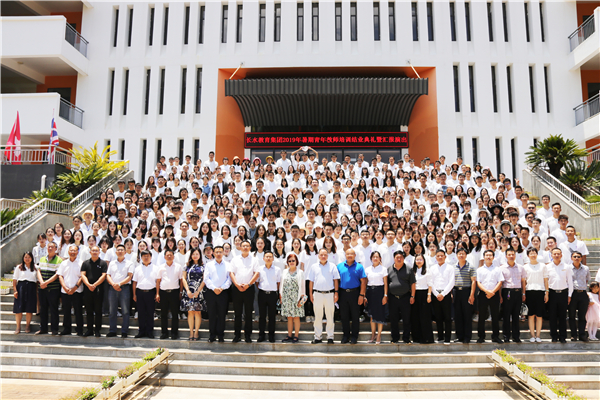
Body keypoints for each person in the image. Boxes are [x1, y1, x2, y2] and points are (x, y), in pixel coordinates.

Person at [229, 240, 260, 343]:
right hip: (237, 288)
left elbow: (256, 273)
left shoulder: (254, 260)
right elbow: (231, 273)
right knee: (237, 313)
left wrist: (248, 284)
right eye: (243, 246)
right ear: (240, 247)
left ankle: (247, 335)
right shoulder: (235, 259)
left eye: (247, 246)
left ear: (250, 248)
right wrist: (237, 284)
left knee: (248, 313)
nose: (245, 248)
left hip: (249, 289)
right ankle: (237, 335)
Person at [307, 248, 340, 344]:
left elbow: (336, 280)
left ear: (327, 256)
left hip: (329, 294)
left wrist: (336, 293)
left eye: (325, 255)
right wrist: (310, 294)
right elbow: (311, 281)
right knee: (318, 317)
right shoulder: (314, 267)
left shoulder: (332, 266)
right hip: (317, 294)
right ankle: (318, 337)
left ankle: (330, 337)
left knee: (330, 316)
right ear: (318, 256)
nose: (323, 256)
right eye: (321, 255)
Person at [336, 249, 367, 344]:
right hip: (343, 293)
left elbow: (363, 281)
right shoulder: (339, 266)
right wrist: (336, 293)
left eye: (352, 254)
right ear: (345, 255)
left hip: (355, 293)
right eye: (348, 254)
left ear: (355, 255)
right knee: (344, 316)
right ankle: (346, 336)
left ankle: (354, 336)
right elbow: (336, 280)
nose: (350, 255)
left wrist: (362, 295)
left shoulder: (359, 267)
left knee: (355, 316)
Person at [387, 250, 416, 344]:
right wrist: (386, 296)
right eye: (397, 257)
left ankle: (406, 338)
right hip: (393, 298)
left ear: (404, 258)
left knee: (406, 318)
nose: (399, 259)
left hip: (405, 297)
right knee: (393, 319)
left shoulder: (409, 269)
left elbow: (413, 284)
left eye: (401, 257)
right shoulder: (389, 269)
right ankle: (395, 338)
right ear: (394, 258)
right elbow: (386, 284)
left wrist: (412, 296)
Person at [204, 246, 232, 343]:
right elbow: (206, 279)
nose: (219, 254)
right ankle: (212, 335)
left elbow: (229, 279)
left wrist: (221, 288)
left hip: (223, 292)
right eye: (217, 252)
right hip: (211, 292)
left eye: (220, 252)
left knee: (221, 314)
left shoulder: (228, 265)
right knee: (211, 314)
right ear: (213, 253)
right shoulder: (209, 265)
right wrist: (214, 288)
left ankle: (220, 335)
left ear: (223, 253)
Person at [546, 248, 573, 343]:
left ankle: (562, 336)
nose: (556, 255)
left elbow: (570, 282)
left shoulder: (567, 266)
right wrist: (546, 293)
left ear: (561, 255)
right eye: (555, 254)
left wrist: (569, 295)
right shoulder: (547, 267)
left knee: (562, 316)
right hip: (552, 293)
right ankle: (554, 336)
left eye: (558, 254)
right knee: (552, 316)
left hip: (563, 293)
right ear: (551, 255)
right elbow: (546, 281)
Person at [476, 250, 504, 343]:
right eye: (487, 255)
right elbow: (478, 282)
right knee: (482, 316)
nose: (488, 257)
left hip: (494, 294)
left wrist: (492, 292)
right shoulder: (479, 270)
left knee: (495, 316)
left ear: (493, 257)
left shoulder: (497, 269)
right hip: (483, 294)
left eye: (490, 255)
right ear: (484, 257)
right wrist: (486, 291)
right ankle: (481, 336)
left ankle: (495, 336)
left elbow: (500, 282)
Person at [106, 244, 134, 338]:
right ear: (116, 252)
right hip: (112, 288)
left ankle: (124, 331)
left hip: (124, 288)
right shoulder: (112, 263)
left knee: (125, 311)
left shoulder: (129, 263)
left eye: (122, 250)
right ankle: (112, 330)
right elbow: (108, 275)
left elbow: (129, 276)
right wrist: (113, 284)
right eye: (118, 250)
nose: (120, 251)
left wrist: (119, 284)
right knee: (112, 311)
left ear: (125, 252)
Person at [500, 248, 527, 343]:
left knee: (516, 315)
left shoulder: (521, 267)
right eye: (509, 255)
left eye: (513, 254)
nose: (511, 256)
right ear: (506, 256)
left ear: (515, 255)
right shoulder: (502, 268)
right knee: (506, 315)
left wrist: (523, 293)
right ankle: (506, 336)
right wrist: (500, 296)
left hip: (518, 292)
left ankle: (516, 336)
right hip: (507, 292)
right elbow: (500, 283)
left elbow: (523, 281)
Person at [57, 244, 84, 336]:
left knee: (78, 311)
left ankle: (79, 329)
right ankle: (66, 329)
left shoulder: (81, 263)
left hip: (77, 291)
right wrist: (65, 287)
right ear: (68, 252)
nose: (73, 252)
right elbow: (60, 276)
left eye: (74, 251)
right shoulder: (64, 263)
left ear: (78, 252)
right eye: (71, 250)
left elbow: (82, 277)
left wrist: (75, 287)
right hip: (65, 291)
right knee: (66, 311)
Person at [180, 247, 207, 341]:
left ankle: (196, 332)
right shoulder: (186, 266)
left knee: (198, 312)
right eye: (193, 254)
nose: (195, 256)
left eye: (197, 254)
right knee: (190, 312)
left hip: (199, 292)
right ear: (191, 255)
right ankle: (191, 332)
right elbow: (183, 279)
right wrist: (187, 290)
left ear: (200, 255)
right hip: (189, 292)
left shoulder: (204, 266)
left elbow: (204, 279)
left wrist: (198, 291)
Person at [81, 246, 108, 337]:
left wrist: (95, 285)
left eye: (96, 250)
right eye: (93, 250)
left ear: (99, 252)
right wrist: (89, 285)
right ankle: (89, 329)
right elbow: (83, 275)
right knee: (88, 310)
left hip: (98, 290)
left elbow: (103, 275)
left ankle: (97, 330)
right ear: (90, 252)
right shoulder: (85, 263)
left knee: (98, 310)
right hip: (87, 289)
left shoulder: (103, 263)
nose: (95, 252)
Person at [157, 249, 184, 340]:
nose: (169, 256)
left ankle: (174, 333)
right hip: (163, 292)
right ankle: (164, 332)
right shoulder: (161, 267)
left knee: (175, 314)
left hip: (174, 292)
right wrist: (157, 293)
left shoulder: (178, 267)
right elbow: (158, 281)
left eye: (171, 255)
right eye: (167, 255)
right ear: (164, 257)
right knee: (163, 314)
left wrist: (180, 292)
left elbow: (181, 280)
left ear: (173, 256)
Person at [36, 242, 62, 335]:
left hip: (53, 289)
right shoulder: (42, 259)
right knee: (43, 309)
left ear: (56, 249)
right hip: (42, 288)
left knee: (54, 309)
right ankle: (43, 328)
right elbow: (38, 271)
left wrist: (46, 283)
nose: (50, 248)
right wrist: (41, 282)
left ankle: (54, 329)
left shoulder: (59, 260)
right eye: (49, 247)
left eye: (52, 247)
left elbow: (57, 274)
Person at [523, 248, 548, 343]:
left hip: (540, 291)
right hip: (529, 291)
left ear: (537, 254)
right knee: (531, 315)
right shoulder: (525, 267)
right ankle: (532, 336)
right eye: (531, 253)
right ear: (528, 255)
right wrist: (523, 293)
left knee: (539, 315)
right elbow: (524, 281)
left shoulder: (543, 266)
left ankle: (538, 335)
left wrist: (547, 292)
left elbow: (546, 280)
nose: (533, 255)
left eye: (534, 253)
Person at [430, 249, 455, 344]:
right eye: (438, 256)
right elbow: (430, 282)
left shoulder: (450, 268)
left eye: (442, 255)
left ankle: (447, 338)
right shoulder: (432, 268)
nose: (440, 257)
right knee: (438, 317)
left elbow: (451, 282)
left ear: (445, 257)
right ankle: (440, 336)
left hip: (446, 294)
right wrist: (436, 294)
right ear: (435, 257)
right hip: (435, 295)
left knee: (447, 317)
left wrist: (443, 294)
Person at [132, 250, 158, 338]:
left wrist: (157, 293)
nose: (146, 258)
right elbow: (134, 282)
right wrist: (134, 294)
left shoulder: (155, 268)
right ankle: (141, 331)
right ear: (141, 257)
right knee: (141, 313)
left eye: (147, 256)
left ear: (151, 257)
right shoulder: (137, 268)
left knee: (150, 313)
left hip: (151, 292)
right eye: (144, 256)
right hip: (140, 292)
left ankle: (150, 332)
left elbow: (157, 282)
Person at [256, 251, 281, 343]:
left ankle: (271, 335)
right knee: (262, 316)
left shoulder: (277, 269)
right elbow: (257, 282)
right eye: (267, 257)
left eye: (270, 257)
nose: (268, 258)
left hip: (272, 294)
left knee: (272, 316)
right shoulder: (259, 269)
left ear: (273, 259)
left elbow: (278, 283)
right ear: (263, 258)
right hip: (262, 294)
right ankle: (261, 335)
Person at [453, 247, 476, 344]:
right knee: (458, 315)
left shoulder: (471, 267)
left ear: (466, 255)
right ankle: (459, 336)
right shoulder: (453, 267)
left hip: (467, 291)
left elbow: (473, 281)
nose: (461, 255)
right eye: (459, 253)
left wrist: (472, 295)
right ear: (457, 255)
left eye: (463, 253)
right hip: (456, 292)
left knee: (467, 315)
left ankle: (467, 337)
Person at [280, 253, 305, 343]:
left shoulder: (300, 272)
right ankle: (289, 335)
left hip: (296, 297)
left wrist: (302, 299)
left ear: (296, 262)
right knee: (289, 317)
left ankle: (296, 336)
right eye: (289, 261)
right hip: (286, 297)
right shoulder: (284, 272)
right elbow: (282, 285)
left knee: (296, 317)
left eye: (293, 260)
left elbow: (303, 286)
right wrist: (281, 296)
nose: (291, 262)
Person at [364, 251, 388, 344]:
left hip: (380, 292)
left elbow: (385, 284)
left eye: (377, 257)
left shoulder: (383, 269)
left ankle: (379, 335)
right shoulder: (367, 269)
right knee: (371, 315)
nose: (375, 258)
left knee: (380, 314)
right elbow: (365, 283)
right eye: (373, 257)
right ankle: (373, 334)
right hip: (370, 292)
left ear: (380, 258)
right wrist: (365, 295)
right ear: (371, 258)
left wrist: (385, 295)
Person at [410, 254, 434, 344]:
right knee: (415, 316)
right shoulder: (412, 271)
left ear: (424, 261)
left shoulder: (427, 270)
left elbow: (430, 284)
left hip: (425, 294)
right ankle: (416, 337)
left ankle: (426, 338)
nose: (419, 261)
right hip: (415, 294)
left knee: (425, 316)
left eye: (420, 259)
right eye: (417, 260)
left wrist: (429, 295)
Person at [12, 252, 38, 334]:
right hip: (21, 288)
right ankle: (18, 327)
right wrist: (15, 290)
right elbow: (14, 280)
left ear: (32, 258)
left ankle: (27, 326)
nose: (27, 259)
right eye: (25, 257)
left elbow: (37, 280)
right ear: (23, 258)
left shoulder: (35, 267)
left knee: (29, 309)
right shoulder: (19, 267)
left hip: (31, 288)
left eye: (29, 257)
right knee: (18, 309)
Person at [569, 251, 591, 342]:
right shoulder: (568, 268)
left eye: (578, 256)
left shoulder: (586, 268)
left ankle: (582, 334)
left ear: (581, 258)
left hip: (582, 293)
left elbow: (587, 280)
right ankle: (573, 335)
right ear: (571, 258)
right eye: (574, 256)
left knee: (582, 316)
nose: (576, 258)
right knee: (571, 315)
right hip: (572, 294)